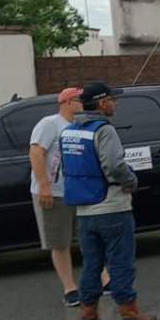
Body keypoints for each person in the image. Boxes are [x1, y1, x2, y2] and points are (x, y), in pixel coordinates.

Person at [61, 82, 158, 320]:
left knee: (92, 264)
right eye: (113, 100)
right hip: (112, 207)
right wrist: (131, 181)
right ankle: (130, 315)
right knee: (121, 263)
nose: (115, 104)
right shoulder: (104, 130)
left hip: (84, 210)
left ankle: (89, 316)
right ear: (102, 103)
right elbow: (114, 165)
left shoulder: (69, 131)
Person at [29, 87, 111, 306]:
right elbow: (36, 153)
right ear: (67, 102)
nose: (83, 103)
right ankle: (70, 288)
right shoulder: (49, 124)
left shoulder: (81, 125)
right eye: (79, 99)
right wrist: (44, 186)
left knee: (89, 237)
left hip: (78, 191)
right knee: (60, 242)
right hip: (54, 193)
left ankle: (104, 279)